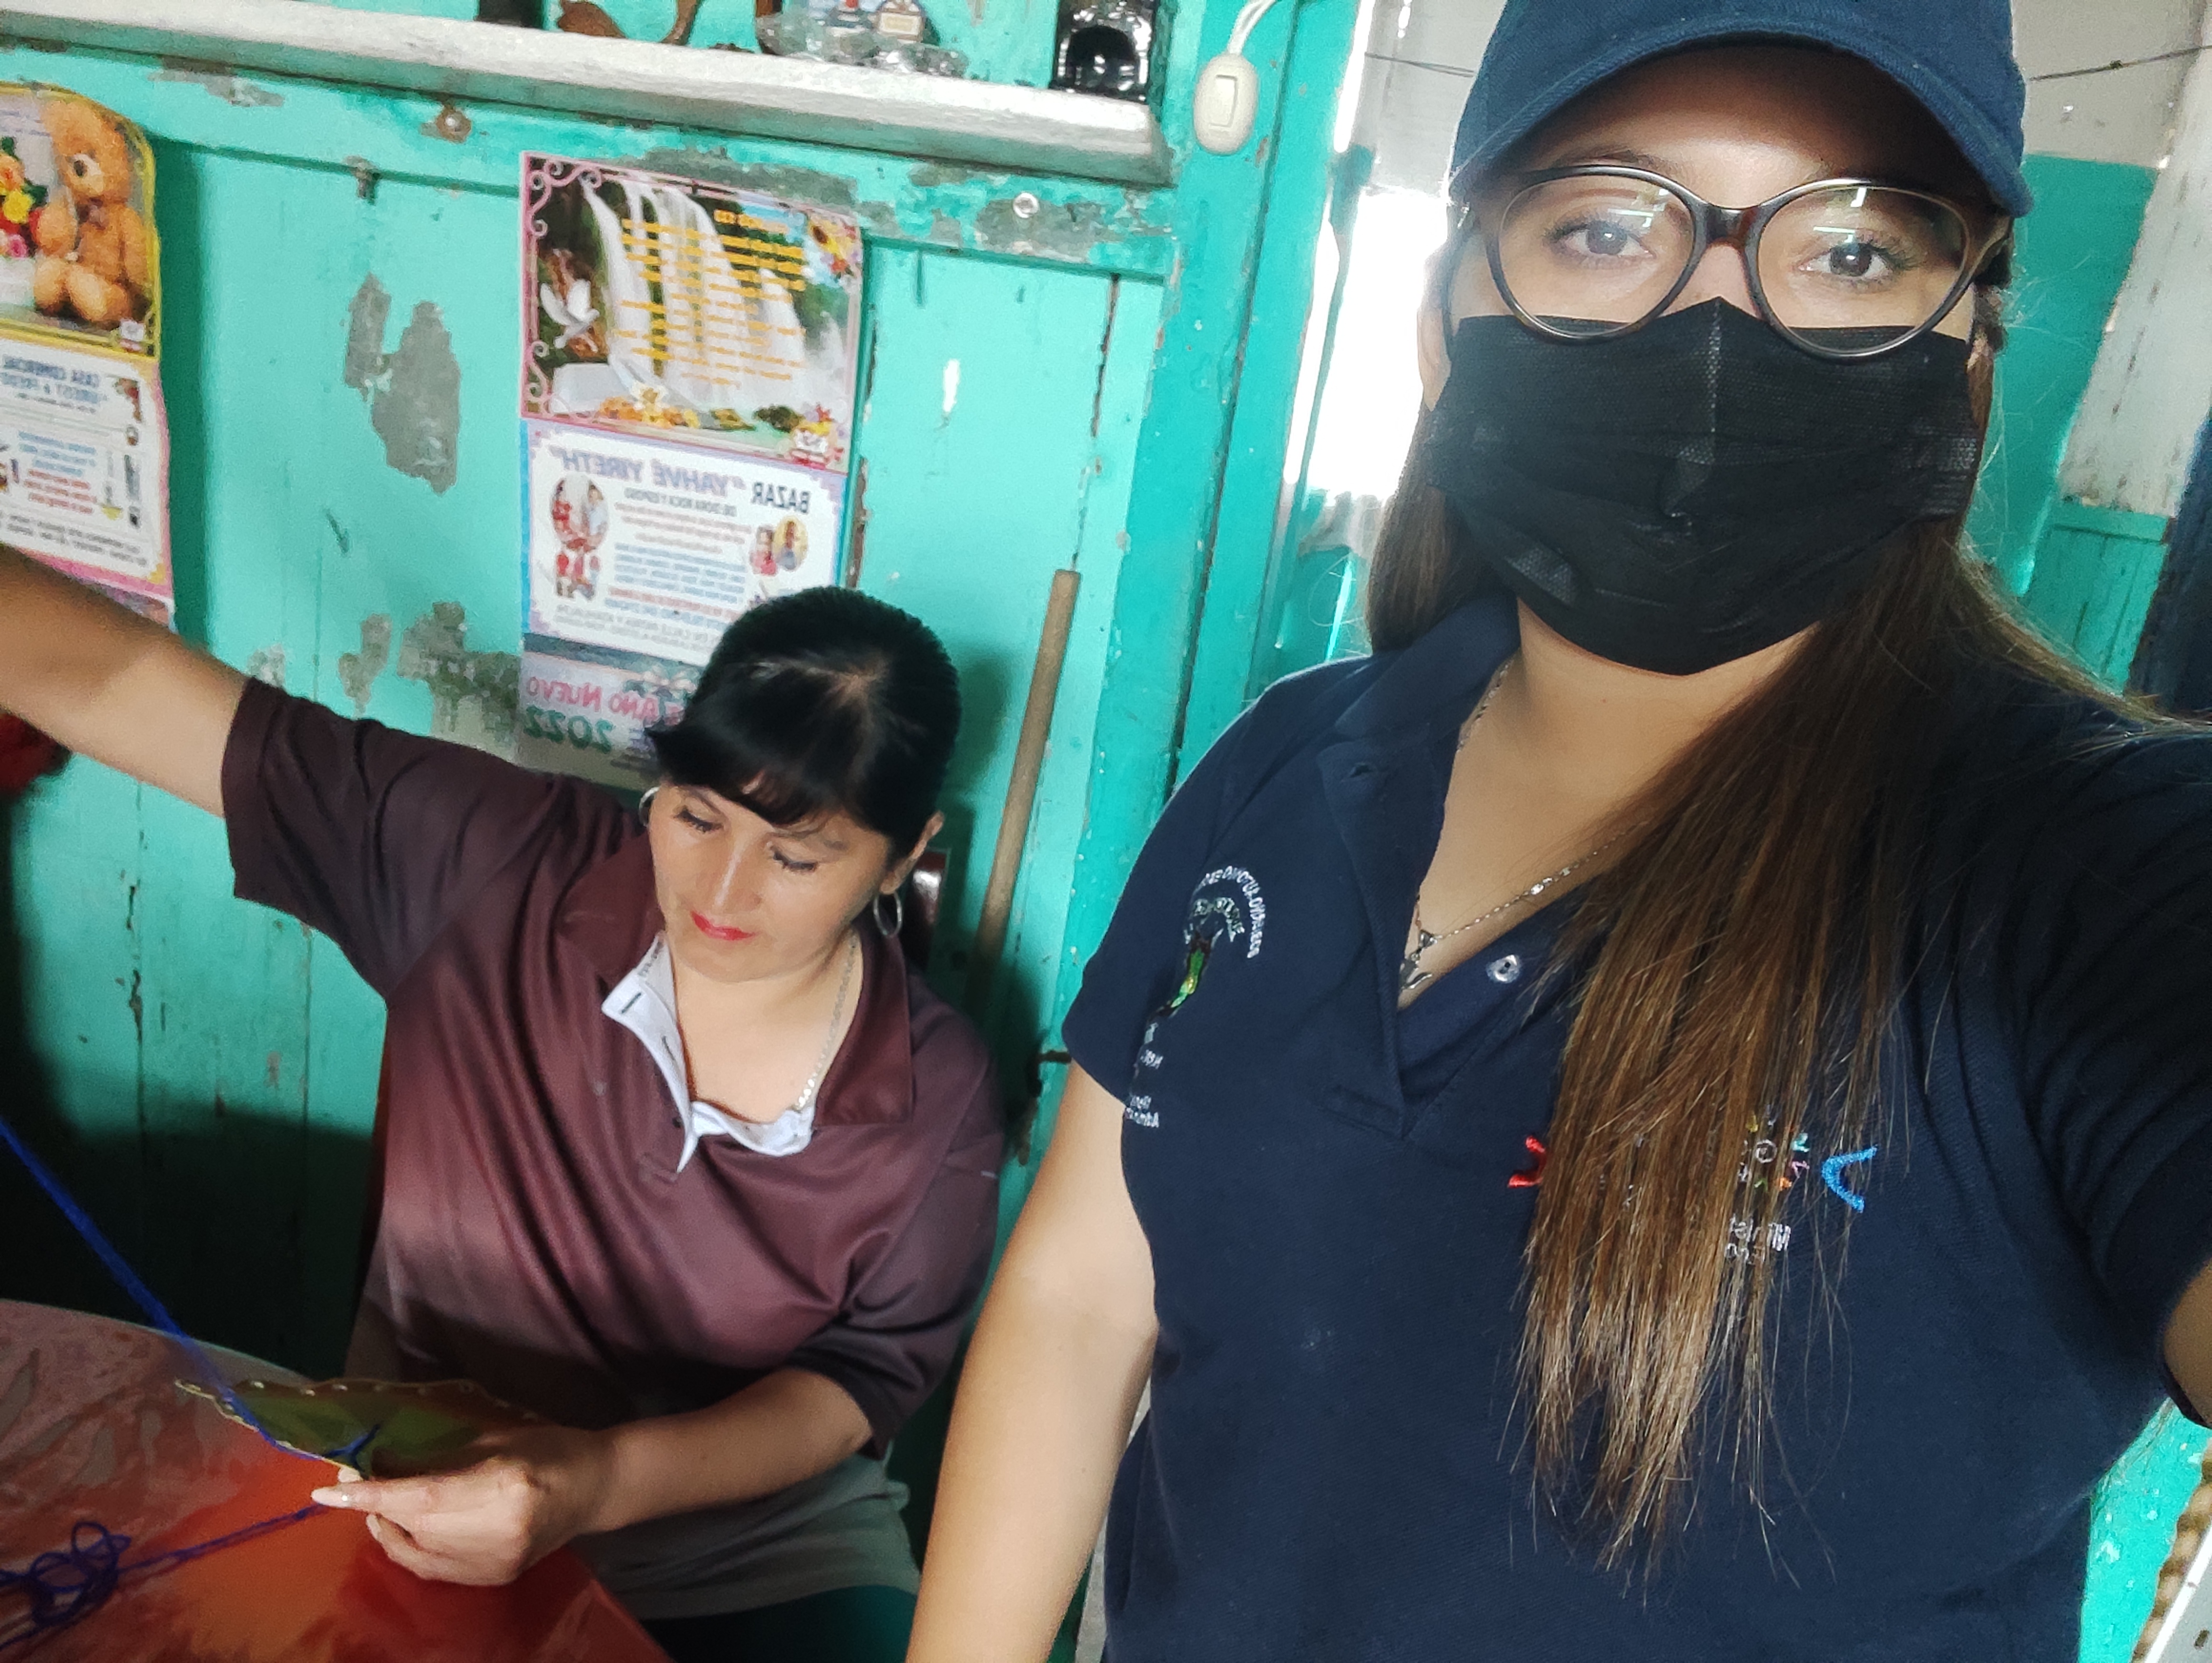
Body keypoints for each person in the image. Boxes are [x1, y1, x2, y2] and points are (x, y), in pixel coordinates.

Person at [908, 3, 2212, 1659]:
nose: (1720, 323)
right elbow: (1089, 1289)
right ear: (1444, 328)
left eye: (1855, 250)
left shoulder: (2094, 867)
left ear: (1966, 356)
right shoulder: (1289, 765)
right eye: (1602, 225)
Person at [0, 562, 1001, 1663]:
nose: (721, 892)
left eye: (796, 856)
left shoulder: (935, 1095)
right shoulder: (496, 864)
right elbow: (109, 676)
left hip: (753, 1554)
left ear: (903, 857)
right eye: (696, 815)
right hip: (427, 1497)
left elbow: (857, 1381)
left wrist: (599, 1480)